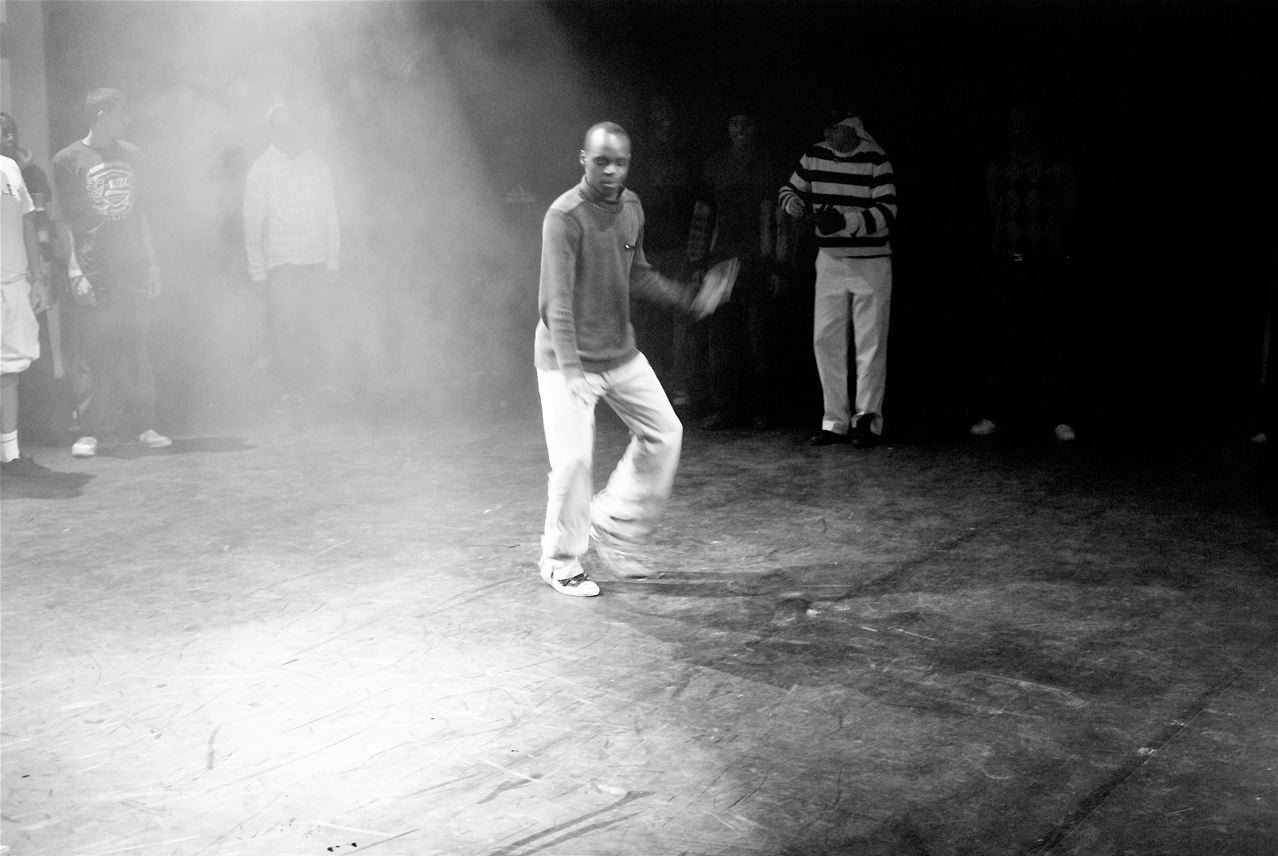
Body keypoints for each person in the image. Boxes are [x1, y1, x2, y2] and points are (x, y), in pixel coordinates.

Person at [535, 121, 737, 597]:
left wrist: (690, 299)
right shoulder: (564, 216)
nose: (611, 170)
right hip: (566, 358)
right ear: (583, 160)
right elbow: (555, 301)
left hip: (618, 351)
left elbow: (637, 275)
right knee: (573, 462)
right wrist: (572, 371)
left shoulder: (631, 206)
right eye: (601, 161)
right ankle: (561, 560)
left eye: (620, 162)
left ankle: (612, 524)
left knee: (665, 433)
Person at [52, 88, 170, 459]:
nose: (128, 119)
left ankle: (145, 425)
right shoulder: (68, 159)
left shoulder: (133, 155)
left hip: (131, 268)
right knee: (92, 351)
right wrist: (75, 271)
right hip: (93, 269)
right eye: (122, 113)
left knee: (136, 346)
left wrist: (152, 263)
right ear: (102, 116)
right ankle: (90, 431)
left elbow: (142, 213)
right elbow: (64, 221)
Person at [779, 108, 897, 448]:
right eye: (827, 129)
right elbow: (788, 189)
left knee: (870, 343)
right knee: (825, 340)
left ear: (852, 129)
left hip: (870, 262)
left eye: (835, 130)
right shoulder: (816, 154)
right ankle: (834, 421)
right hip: (831, 260)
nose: (828, 136)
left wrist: (846, 222)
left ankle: (867, 420)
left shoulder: (875, 158)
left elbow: (888, 212)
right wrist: (793, 205)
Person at [968, 105, 1078, 442]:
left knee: (1051, 340)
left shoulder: (1055, 165)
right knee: (1002, 341)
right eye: (1013, 124)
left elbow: (1068, 210)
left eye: (1024, 123)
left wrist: (1057, 248)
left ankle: (1059, 416)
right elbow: (993, 210)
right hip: (1008, 263)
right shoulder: (999, 166)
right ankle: (995, 413)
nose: (1019, 130)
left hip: (1046, 263)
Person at [242, 102, 341, 421]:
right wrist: (257, 269)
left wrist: (333, 259)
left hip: (315, 259)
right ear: (271, 131)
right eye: (281, 126)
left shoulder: (317, 164)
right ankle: (290, 392)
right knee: (286, 329)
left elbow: (331, 213)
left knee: (317, 325)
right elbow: (252, 223)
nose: (288, 132)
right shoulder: (262, 169)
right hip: (281, 262)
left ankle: (320, 387)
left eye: (292, 125)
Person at [688, 113, 780, 430]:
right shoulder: (716, 164)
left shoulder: (765, 164)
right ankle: (725, 408)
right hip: (721, 261)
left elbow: (776, 217)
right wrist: (697, 262)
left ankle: (761, 409)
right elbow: (703, 215)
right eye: (734, 124)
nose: (740, 130)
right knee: (721, 341)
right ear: (728, 128)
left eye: (746, 124)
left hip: (756, 261)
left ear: (754, 128)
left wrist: (777, 265)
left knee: (758, 340)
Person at [1, 153, 53, 476]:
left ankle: (10, 456)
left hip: (13, 283)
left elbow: (27, 223)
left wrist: (37, 278)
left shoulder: (8, 167)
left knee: (8, 369)